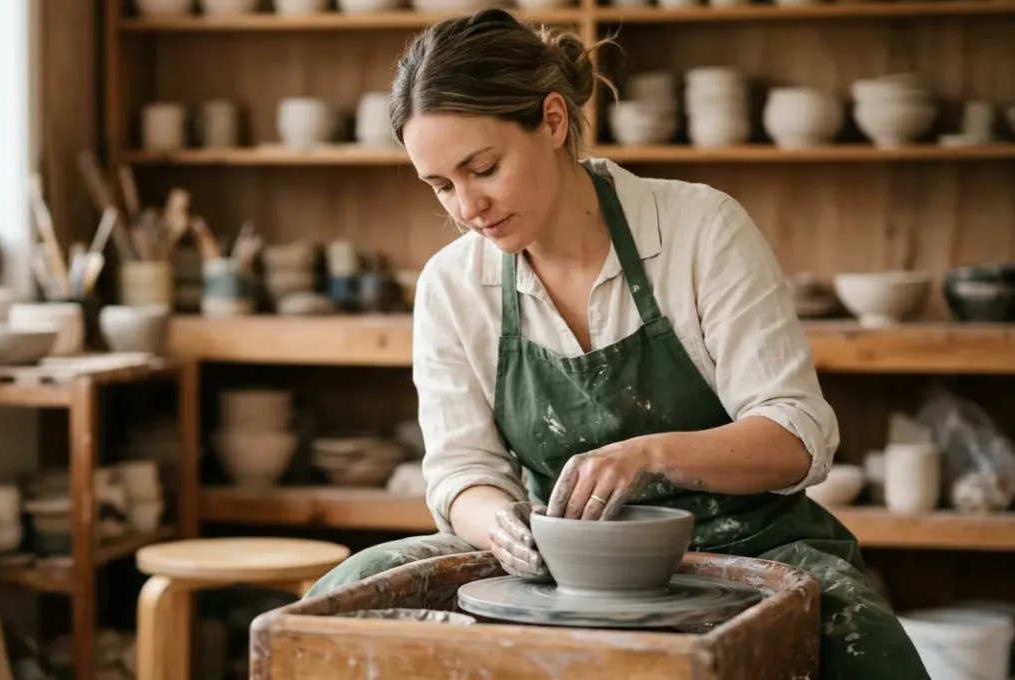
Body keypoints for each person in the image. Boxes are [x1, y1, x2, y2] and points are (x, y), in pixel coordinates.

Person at [303, 8, 930, 678]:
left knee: (861, 639)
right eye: (441, 186)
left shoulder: (699, 229)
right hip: (557, 562)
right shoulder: (453, 286)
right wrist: (506, 533)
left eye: (482, 169)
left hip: (748, 548)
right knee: (340, 601)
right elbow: (462, 473)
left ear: (552, 121)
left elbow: (798, 436)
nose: (466, 208)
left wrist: (649, 456)